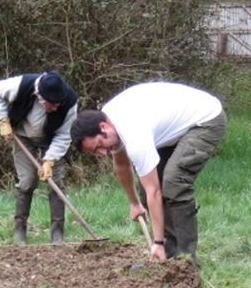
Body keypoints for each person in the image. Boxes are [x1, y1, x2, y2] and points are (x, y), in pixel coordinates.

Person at [69, 82, 226, 263]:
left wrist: (157, 241)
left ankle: (186, 259)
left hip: (205, 120)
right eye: (96, 152)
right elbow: (122, 166)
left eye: (100, 147)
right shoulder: (110, 122)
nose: (103, 153)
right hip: (174, 127)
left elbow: (155, 192)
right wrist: (135, 204)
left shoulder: (134, 134)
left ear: (104, 128)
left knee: (174, 182)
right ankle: (168, 251)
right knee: (148, 188)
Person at [0, 70, 78, 244]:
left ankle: (57, 234)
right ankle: (19, 231)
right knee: (27, 181)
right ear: (39, 97)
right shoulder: (21, 85)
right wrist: (3, 120)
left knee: (56, 183)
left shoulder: (69, 102)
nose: (56, 108)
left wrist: (49, 160)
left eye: (58, 103)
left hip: (53, 139)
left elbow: (65, 135)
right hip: (23, 136)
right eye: (51, 104)